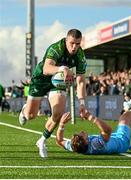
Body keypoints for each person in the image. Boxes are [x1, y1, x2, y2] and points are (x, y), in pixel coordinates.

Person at [18, 29, 87, 157]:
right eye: (72, 43)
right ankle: (24, 111)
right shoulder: (56, 48)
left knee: (58, 113)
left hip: (58, 83)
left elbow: (81, 81)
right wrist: (63, 68)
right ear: (66, 40)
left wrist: (82, 103)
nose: (74, 47)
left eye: (78, 44)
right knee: (31, 116)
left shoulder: (80, 55)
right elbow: (46, 68)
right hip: (41, 79)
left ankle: (42, 140)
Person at [56, 90, 131, 155]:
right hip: (122, 141)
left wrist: (61, 124)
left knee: (121, 124)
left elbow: (59, 141)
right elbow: (108, 130)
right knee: (125, 117)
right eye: (81, 136)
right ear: (86, 142)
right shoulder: (96, 145)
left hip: (114, 139)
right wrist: (90, 117)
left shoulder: (74, 146)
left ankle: (128, 145)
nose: (81, 132)